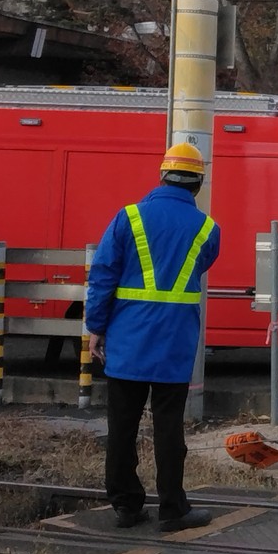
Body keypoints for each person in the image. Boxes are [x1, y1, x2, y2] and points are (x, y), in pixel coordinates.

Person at [85, 143, 220, 531]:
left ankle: (126, 505)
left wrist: (96, 327)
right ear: (198, 184)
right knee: (169, 428)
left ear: (162, 176)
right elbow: (202, 264)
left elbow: (103, 275)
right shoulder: (208, 229)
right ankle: (173, 509)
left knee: (122, 427)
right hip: (175, 343)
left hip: (128, 339)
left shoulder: (128, 217)